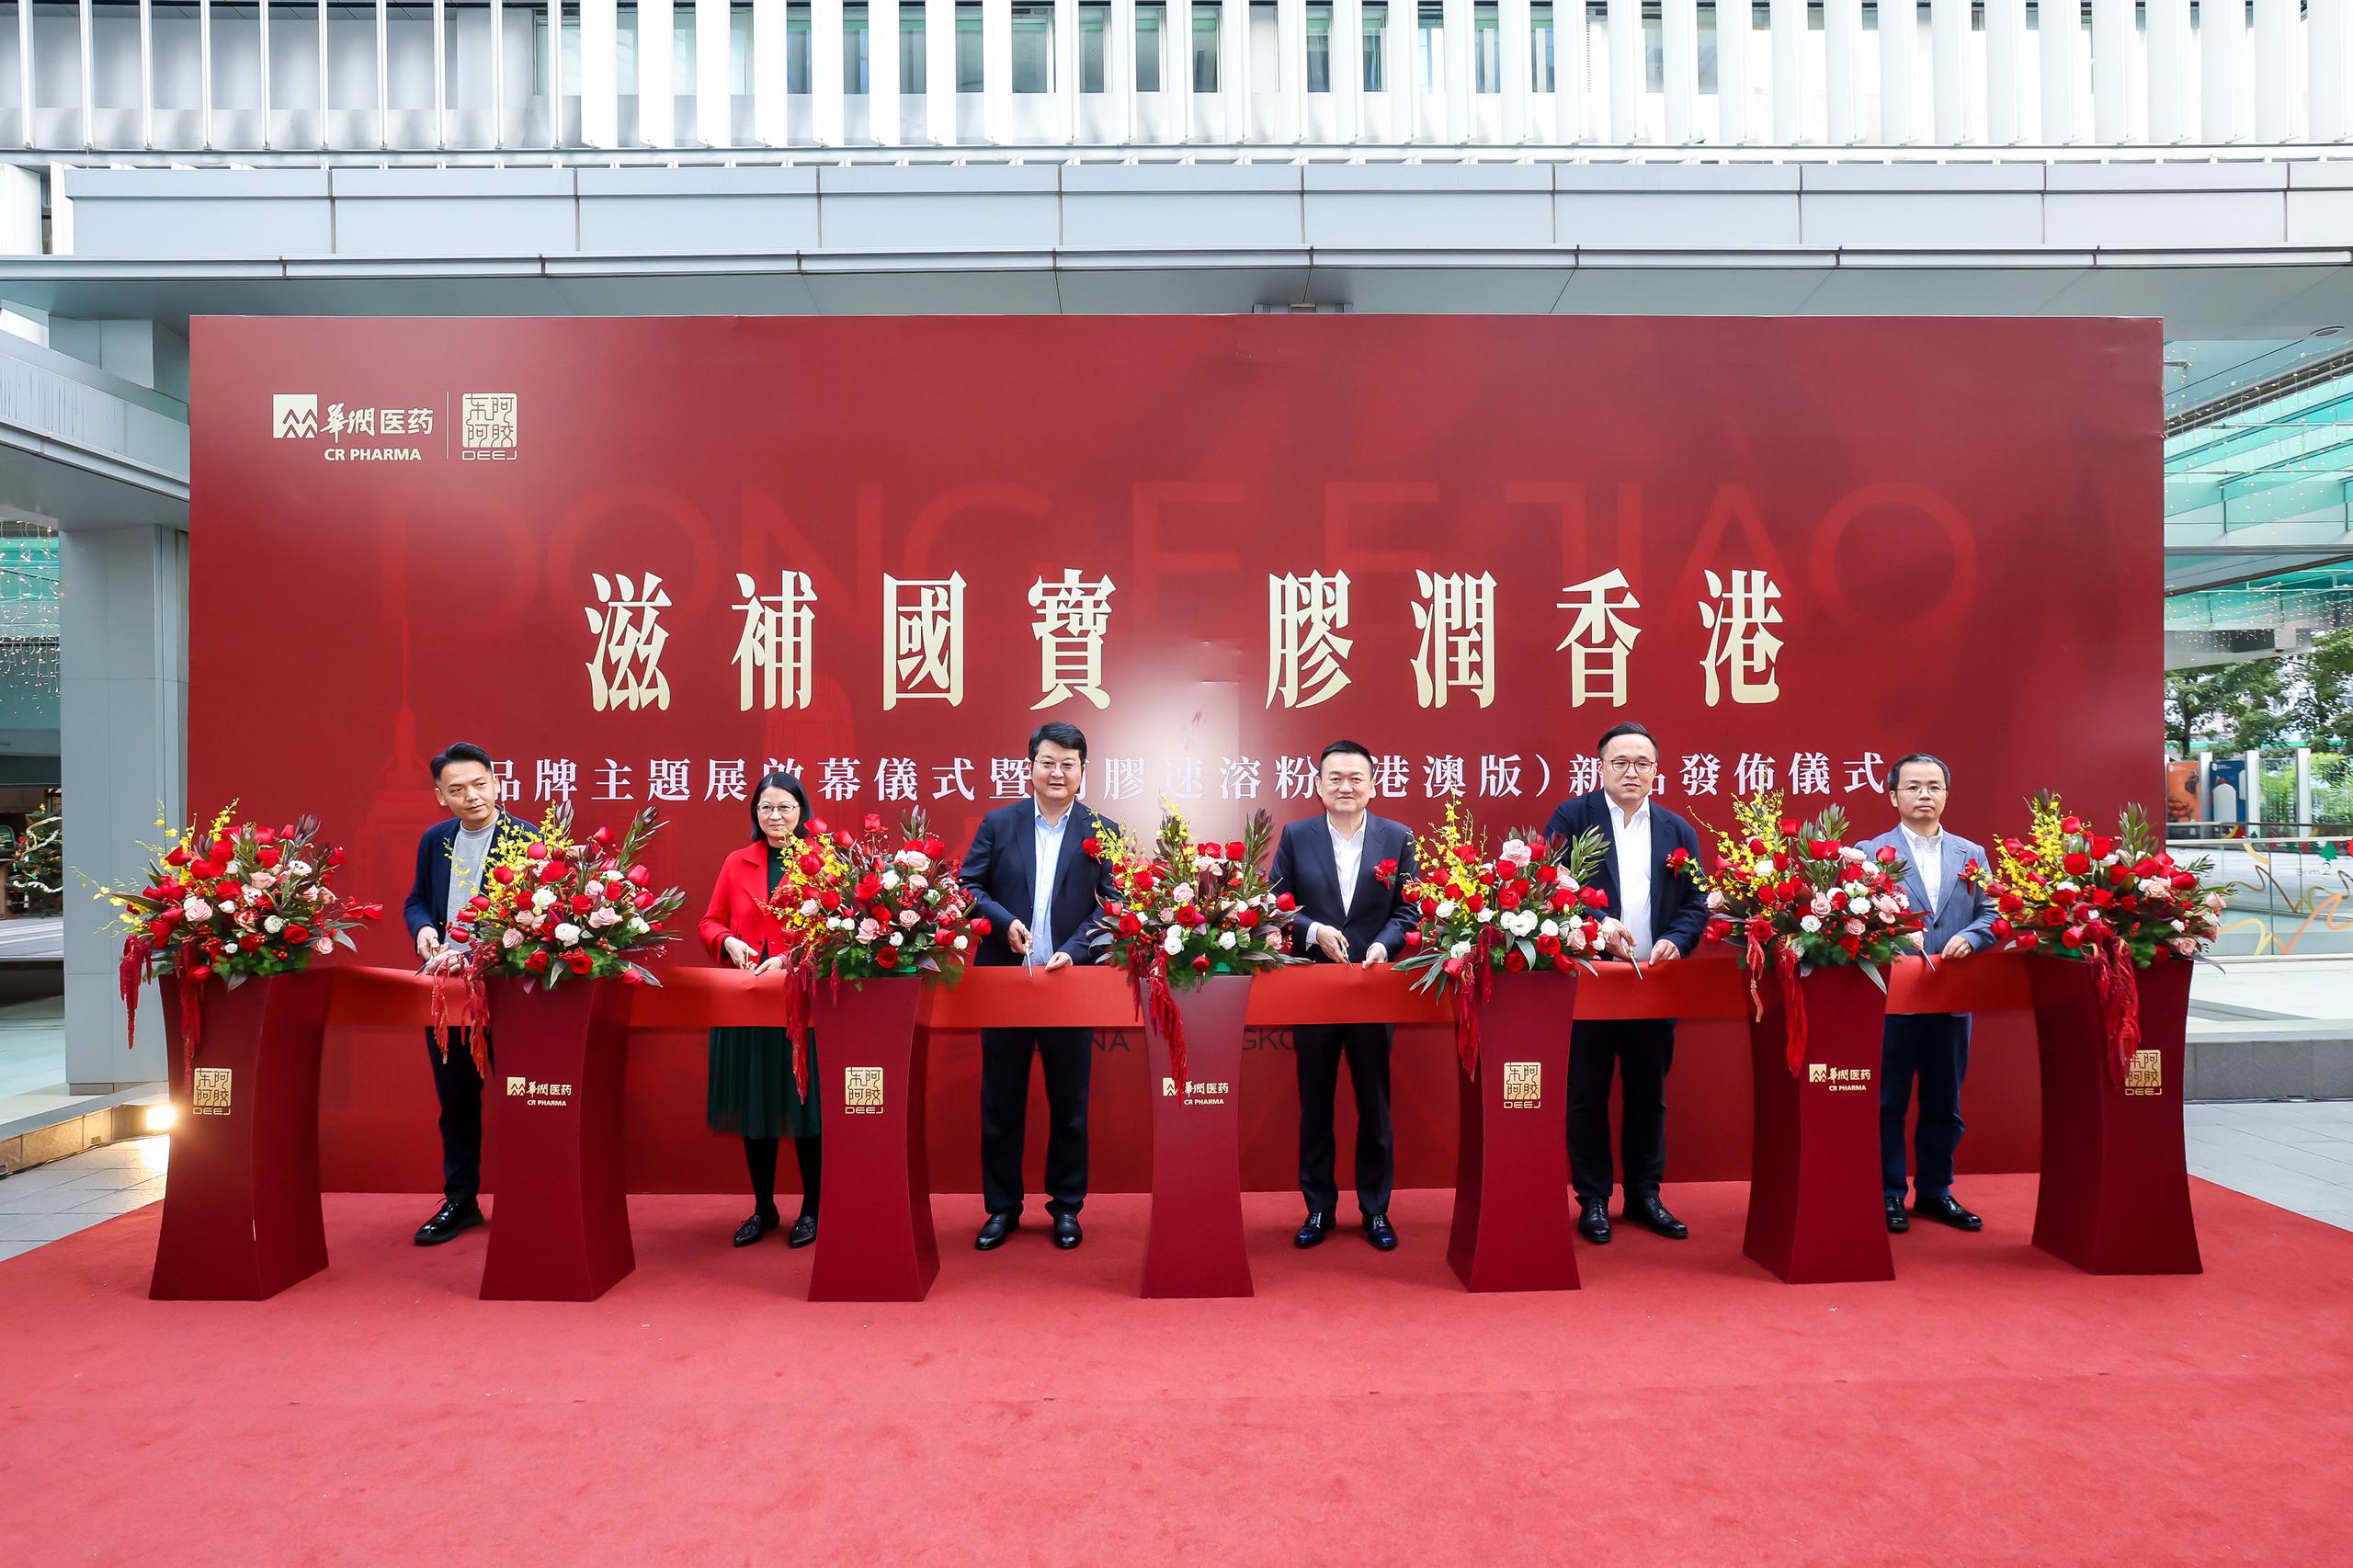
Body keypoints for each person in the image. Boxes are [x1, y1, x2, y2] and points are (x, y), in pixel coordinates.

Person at [956, 721, 1120, 1252]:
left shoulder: (1102, 830)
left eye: (1068, 764)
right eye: (1047, 762)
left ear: (1082, 772)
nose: (1057, 772)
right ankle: (1002, 1209)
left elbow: (1115, 905)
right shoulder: (998, 824)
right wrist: (1004, 922)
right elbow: (967, 886)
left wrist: (1076, 948)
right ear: (1029, 768)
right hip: (1006, 982)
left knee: (1070, 1104)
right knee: (1000, 1103)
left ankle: (1066, 1207)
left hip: (1069, 985)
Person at [1542, 722, 1709, 1244]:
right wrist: (1596, 927)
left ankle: (1644, 1195)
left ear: (1656, 771)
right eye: (1620, 762)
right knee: (1585, 1094)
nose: (1631, 772)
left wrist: (1677, 940)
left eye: (1642, 763)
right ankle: (1592, 1199)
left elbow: (1696, 902)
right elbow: (1549, 888)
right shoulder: (1572, 817)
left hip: (1652, 982)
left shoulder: (1677, 829)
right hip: (1591, 978)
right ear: (1600, 767)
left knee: (1648, 1094)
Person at [1269, 740, 1417, 1252]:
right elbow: (1277, 903)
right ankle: (1318, 1207)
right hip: (1315, 989)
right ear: (1319, 785)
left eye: (1356, 778)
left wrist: (1384, 944)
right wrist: (1312, 931)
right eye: (1335, 778)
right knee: (1315, 1104)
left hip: (1374, 989)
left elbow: (1409, 910)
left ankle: (1376, 1210)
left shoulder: (1397, 837)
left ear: (1373, 785)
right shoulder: (1297, 836)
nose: (1345, 787)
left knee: (1375, 1104)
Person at [1858, 753, 1999, 1234]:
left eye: (1934, 787)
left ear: (1946, 794)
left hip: (1951, 996)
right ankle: (1887, 1193)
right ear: (1893, 795)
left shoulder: (1971, 853)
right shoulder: (1870, 852)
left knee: (1944, 1101)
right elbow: (1856, 918)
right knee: (1887, 1101)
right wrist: (1890, 936)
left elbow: (1994, 911)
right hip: (1892, 999)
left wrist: (1974, 937)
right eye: (1914, 787)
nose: (1925, 795)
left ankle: (1937, 1191)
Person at [402, 742, 534, 1246]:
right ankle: (460, 1201)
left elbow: (535, 917)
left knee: (525, 1097)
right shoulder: (435, 840)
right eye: (456, 789)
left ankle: (527, 1198)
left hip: (506, 993)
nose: (471, 796)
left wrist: (477, 952)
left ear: (496, 783)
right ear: (441, 796)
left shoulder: (527, 839)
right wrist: (423, 930)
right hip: (447, 991)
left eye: (480, 784)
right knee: (455, 1099)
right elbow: (417, 900)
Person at [698, 770, 824, 1249]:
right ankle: (764, 1207)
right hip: (747, 1002)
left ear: (801, 812)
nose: (775, 816)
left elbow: (837, 930)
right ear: (755, 813)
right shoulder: (738, 861)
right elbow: (710, 923)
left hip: (801, 1005)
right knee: (756, 1107)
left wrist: (791, 958)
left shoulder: (821, 862)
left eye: (785, 807)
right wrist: (728, 941)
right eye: (766, 807)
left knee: (805, 1107)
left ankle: (813, 1208)